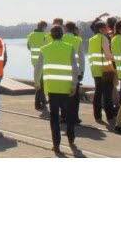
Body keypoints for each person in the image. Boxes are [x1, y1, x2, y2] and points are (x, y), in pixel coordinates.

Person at [35, 24, 78, 154]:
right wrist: (74, 85)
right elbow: (74, 68)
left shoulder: (44, 49)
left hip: (52, 87)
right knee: (69, 115)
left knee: (54, 117)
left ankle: (56, 144)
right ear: (62, 35)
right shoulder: (69, 48)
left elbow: (38, 68)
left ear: (51, 35)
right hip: (66, 88)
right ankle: (70, 138)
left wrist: (37, 83)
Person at [88, 20, 116, 122]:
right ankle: (109, 115)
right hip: (105, 70)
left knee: (98, 93)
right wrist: (116, 59)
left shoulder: (92, 39)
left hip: (95, 69)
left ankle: (97, 115)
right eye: (105, 28)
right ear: (100, 29)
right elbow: (108, 55)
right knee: (107, 94)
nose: (107, 29)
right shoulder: (103, 38)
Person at [61, 21, 85, 125]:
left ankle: (64, 116)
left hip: (62, 72)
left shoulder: (60, 39)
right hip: (75, 72)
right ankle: (75, 117)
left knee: (63, 96)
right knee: (74, 98)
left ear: (65, 28)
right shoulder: (77, 40)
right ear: (73, 29)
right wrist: (82, 72)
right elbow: (81, 58)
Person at [27, 21, 49, 110]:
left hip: (34, 61)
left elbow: (29, 47)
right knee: (41, 83)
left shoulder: (31, 35)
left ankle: (42, 100)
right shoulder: (45, 36)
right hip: (43, 61)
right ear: (43, 27)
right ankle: (38, 102)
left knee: (39, 81)